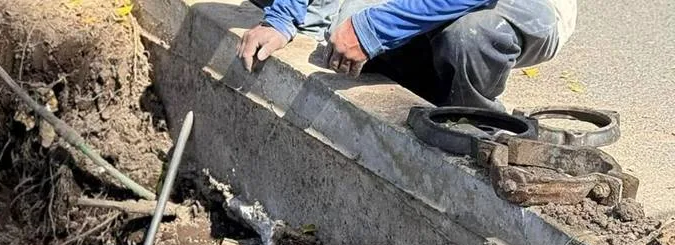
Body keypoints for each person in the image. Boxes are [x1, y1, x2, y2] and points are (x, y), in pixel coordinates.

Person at [237, 0, 577, 110]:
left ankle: (473, 121)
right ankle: (428, 87)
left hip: (522, 7)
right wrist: (281, 18)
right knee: (341, 32)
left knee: (469, 36)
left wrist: (375, 28)